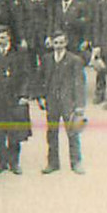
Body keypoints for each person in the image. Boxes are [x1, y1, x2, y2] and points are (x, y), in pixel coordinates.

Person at [0, 25, 31, 174]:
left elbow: (27, 74)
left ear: (9, 37)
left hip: (14, 97)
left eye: (3, 37)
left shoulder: (19, 53)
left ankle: (14, 162)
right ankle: (1, 162)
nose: (0, 41)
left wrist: (23, 95)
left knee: (14, 131)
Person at [39, 30, 87, 174]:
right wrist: (41, 97)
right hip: (52, 101)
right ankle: (53, 163)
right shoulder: (46, 59)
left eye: (61, 42)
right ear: (52, 43)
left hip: (68, 102)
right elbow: (41, 79)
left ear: (66, 43)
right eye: (56, 43)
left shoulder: (75, 60)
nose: (58, 46)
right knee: (51, 132)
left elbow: (79, 83)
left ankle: (76, 162)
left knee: (72, 132)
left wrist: (79, 105)